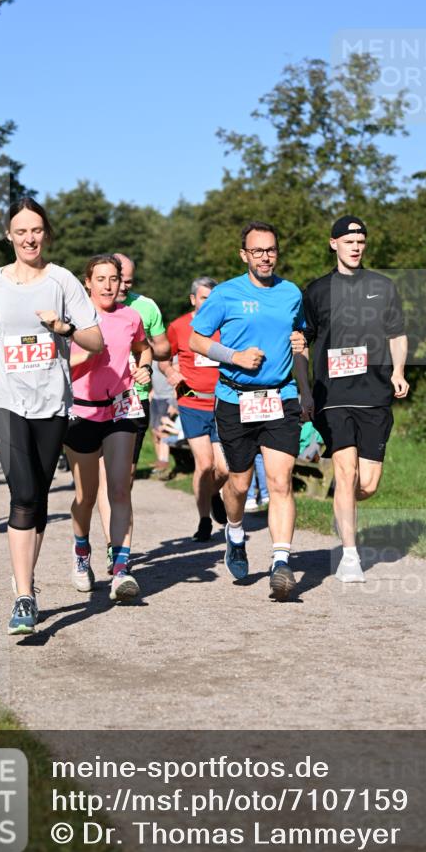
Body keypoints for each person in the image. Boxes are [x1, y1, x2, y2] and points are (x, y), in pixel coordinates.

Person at [0, 197, 103, 635]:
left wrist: (63, 328)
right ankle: (24, 597)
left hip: (51, 400)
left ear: (46, 234)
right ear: (9, 235)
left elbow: (96, 341)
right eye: (21, 231)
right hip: (4, 397)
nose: (29, 238)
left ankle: (23, 573)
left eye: (36, 230)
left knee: (38, 496)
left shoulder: (62, 281)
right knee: (23, 492)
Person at [190, 222, 312, 601]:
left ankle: (280, 562)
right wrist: (234, 357)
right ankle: (236, 531)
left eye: (271, 250)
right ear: (244, 255)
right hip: (235, 398)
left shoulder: (291, 293)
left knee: (280, 481)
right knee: (239, 484)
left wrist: (305, 390)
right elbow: (196, 339)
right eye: (257, 251)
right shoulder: (226, 294)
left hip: (280, 396)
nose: (265, 257)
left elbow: (300, 341)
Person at [296, 214, 409, 583]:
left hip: (374, 393)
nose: (355, 247)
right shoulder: (316, 291)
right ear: (334, 244)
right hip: (334, 395)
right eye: (348, 241)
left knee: (368, 483)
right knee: (345, 474)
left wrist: (398, 371)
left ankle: (343, 509)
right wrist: (306, 391)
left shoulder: (382, 286)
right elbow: (303, 344)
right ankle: (349, 555)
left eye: (360, 241)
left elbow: (397, 333)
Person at [64, 255, 152, 603]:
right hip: (81, 413)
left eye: (113, 278)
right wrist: (85, 355)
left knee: (119, 489)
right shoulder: (72, 320)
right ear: (87, 282)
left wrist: (143, 369)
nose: (107, 285)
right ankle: (81, 551)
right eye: (100, 278)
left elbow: (143, 349)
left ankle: (121, 570)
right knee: (86, 496)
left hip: (121, 409)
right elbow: (58, 365)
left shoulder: (131, 317)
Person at [96, 252, 170, 572]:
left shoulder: (146, 308)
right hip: (94, 403)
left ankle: (119, 549)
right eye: (117, 278)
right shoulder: (85, 307)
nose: (122, 285)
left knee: (122, 480)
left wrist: (148, 364)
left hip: (132, 401)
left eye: (128, 280)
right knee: (99, 481)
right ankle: (110, 545)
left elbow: (159, 347)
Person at [159, 276, 228, 541]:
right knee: (205, 463)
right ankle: (203, 521)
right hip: (192, 402)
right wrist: (170, 371)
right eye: (203, 299)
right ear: (193, 299)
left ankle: (212, 493)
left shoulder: (227, 326)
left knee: (225, 468)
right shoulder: (179, 326)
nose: (209, 304)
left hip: (222, 402)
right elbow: (163, 357)